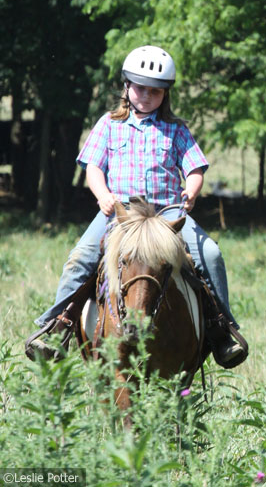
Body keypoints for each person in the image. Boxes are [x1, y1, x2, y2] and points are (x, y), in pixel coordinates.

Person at [25, 45, 247, 366]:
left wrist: (192, 191)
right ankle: (60, 325)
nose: (146, 96)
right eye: (140, 88)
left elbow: (195, 168)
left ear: (165, 94)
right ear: (127, 86)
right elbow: (93, 168)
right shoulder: (109, 124)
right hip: (121, 212)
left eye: (155, 92)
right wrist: (103, 195)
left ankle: (220, 330)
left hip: (167, 212)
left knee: (209, 254)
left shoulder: (176, 129)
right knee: (81, 257)